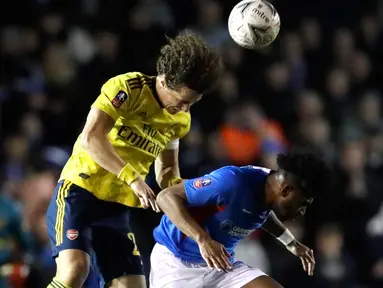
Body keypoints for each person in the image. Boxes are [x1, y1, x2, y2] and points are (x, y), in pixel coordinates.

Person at [45, 29, 222, 288]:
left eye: (191, 104)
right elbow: (91, 138)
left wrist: (195, 194)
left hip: (116, 209)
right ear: (164, 81)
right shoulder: (128, 88)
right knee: (74, 271)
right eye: (182, 101)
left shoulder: (179, 120)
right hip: (79, 192)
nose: (184, 109)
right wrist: (133, 178)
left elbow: (167, 173)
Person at [150, 150, 332, 288]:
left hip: (221, 268)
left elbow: (260, 215)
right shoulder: (231, 183)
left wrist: (291, 243)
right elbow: (165, 197)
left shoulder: (269, 191)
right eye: (303, 204)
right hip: (176, 263)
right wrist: (202, 239)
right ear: (286, 191)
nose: (302, 212)